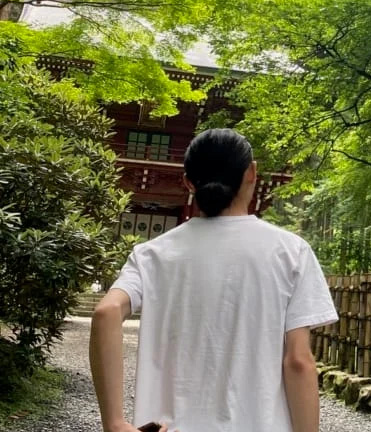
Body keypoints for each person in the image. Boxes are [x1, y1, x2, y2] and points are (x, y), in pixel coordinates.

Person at [89, 129, 337, 432]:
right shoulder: (291, 253)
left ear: (188, 181)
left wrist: (114, 422)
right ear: (252, 172)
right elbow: (298, 360)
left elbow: (106, 313)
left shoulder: (152, 255)